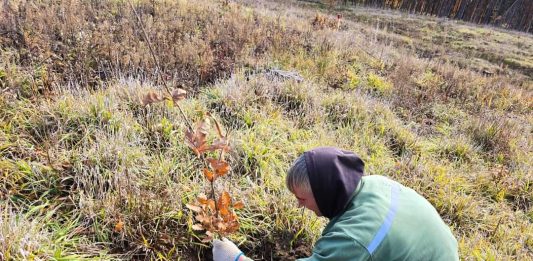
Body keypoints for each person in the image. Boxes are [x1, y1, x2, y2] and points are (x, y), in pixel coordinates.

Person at [213, 147, 459, 260]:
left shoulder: (354, 239)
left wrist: (235, 259)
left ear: (323, 194)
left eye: (302, 199)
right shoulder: (374, 184)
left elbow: (356, 243)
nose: (299, 206)